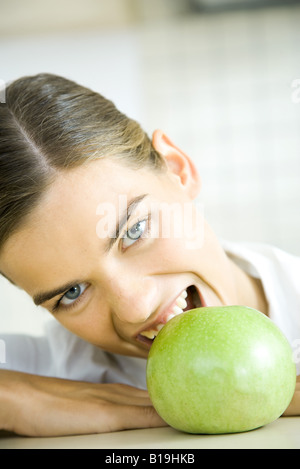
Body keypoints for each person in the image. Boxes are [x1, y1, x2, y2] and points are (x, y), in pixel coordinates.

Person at [0, 74, 299, 437]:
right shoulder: (60, 373)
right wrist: (13, 397)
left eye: (134, 231)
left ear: (177, 169)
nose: (135, 308)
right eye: (72, 293)